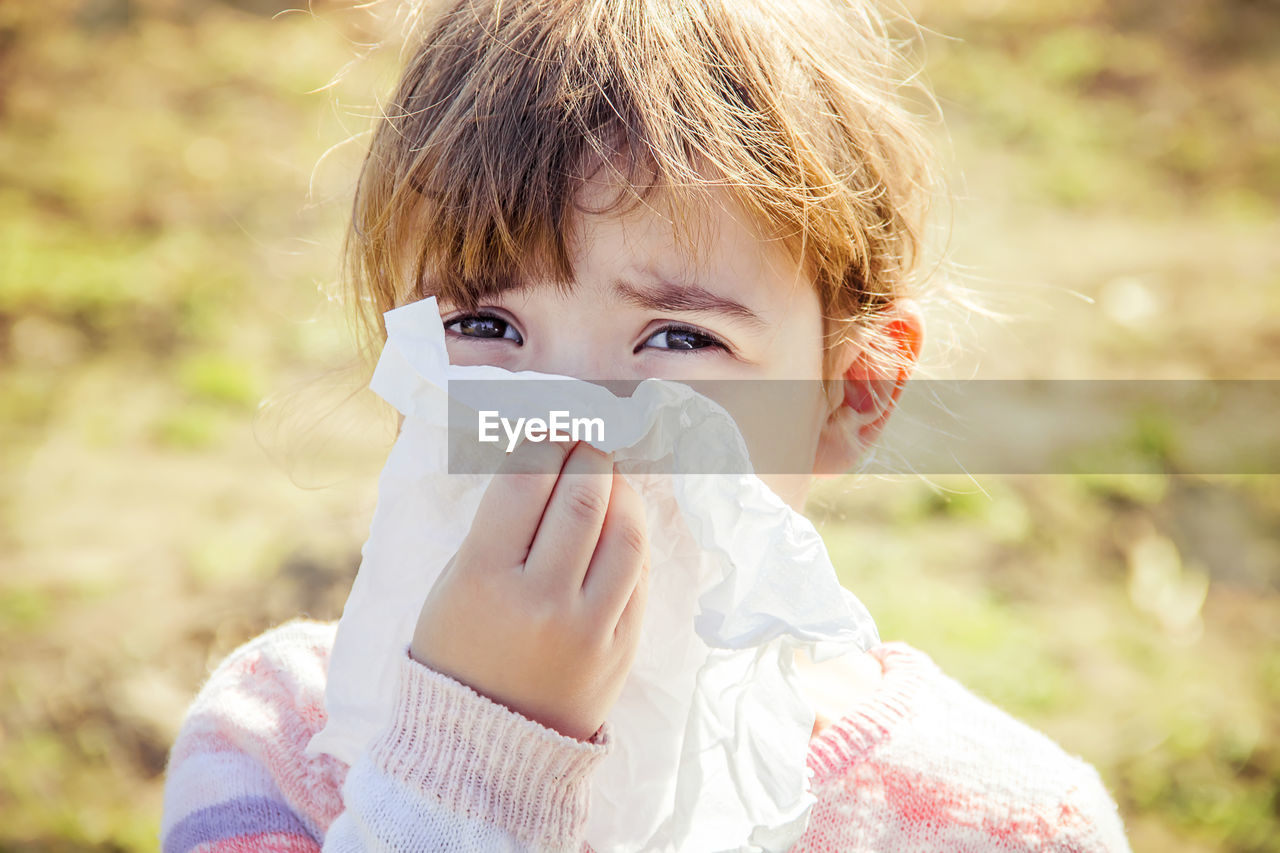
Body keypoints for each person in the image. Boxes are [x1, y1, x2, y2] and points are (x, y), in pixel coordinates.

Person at [160, 0, 1131, 849]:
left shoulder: (1004, 825)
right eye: (485, 325)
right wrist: (472, 758)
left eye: (676, 337)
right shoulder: (280, 744)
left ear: (854, 392)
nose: (571, 428)